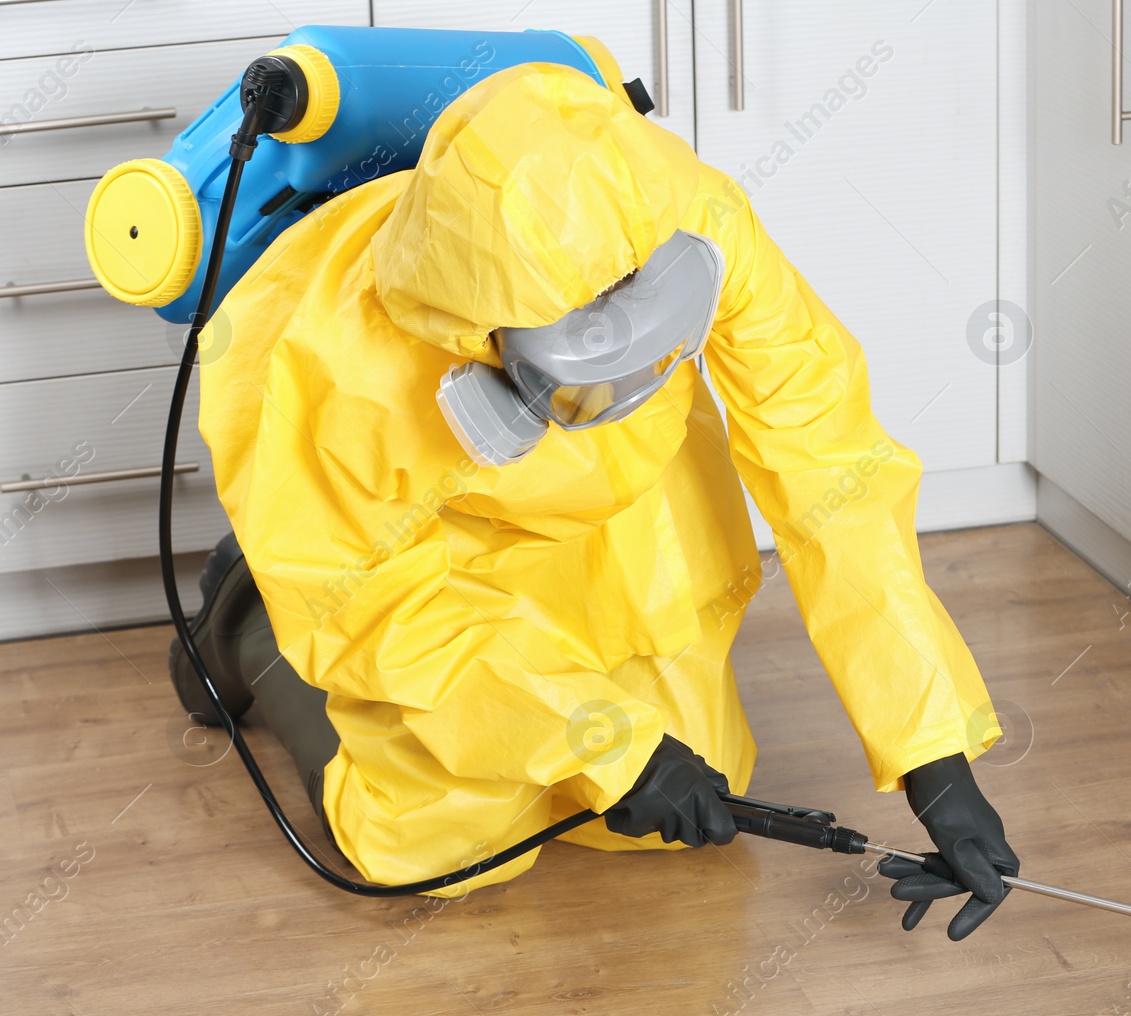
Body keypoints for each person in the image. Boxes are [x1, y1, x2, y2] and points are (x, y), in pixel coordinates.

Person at [172, 59, 1018, 940]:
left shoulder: (693, 217)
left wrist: (932, 753)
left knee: (697, 789)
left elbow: (832, 468)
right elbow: (384, 612)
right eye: (583, 382)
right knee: (439, 845)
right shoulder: (344, 370)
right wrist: (606, 744)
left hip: (628, 502)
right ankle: (250, 626)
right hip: (440, 558)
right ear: (488, 354)